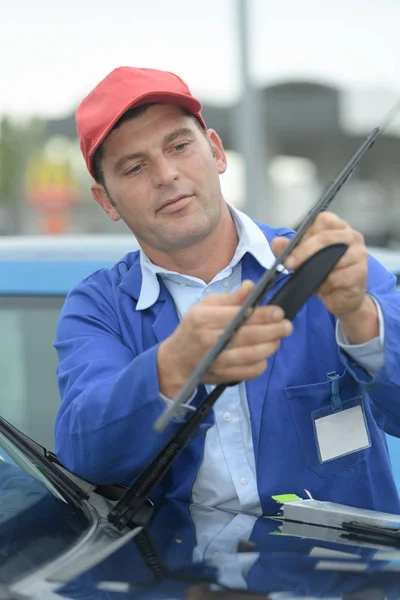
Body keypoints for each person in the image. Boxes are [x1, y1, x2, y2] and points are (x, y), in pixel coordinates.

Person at [54, 66, 400, 516]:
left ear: (215, 151)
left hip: (344, 579)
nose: (166, 174)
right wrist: (171, 366)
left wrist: (360, 317)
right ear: (106, 201)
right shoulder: (97, 307)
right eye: (134, 167)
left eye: (179, 146)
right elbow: (87, 452)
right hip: (183, 578)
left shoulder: (322, 260)